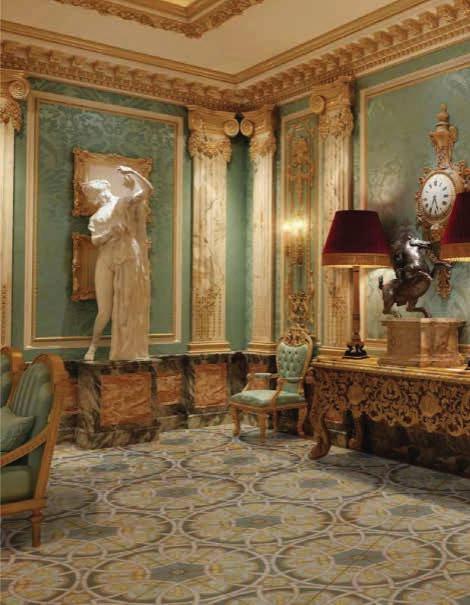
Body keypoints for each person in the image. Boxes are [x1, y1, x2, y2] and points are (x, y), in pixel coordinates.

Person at [81, 165, 153, 361]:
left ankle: (126, 348)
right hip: (106, 257)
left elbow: (147, 191)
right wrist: (110, 233)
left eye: (95, 193)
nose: (96, 198)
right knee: (104, 309)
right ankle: (93, 346)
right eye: (92, 195)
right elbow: (95, 240)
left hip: (127, 255)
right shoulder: (96, 217)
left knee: (128, 303)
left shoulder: (122, 203)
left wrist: (133, 173)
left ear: (104, 190)